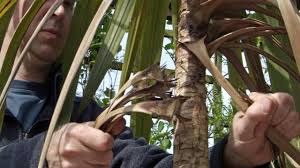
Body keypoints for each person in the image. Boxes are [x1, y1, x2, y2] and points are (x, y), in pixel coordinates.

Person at [0, 0, 300, 167]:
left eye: (67, 2)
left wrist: (233, 157)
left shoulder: (85, 114)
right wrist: (37, 155)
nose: (59, 11)